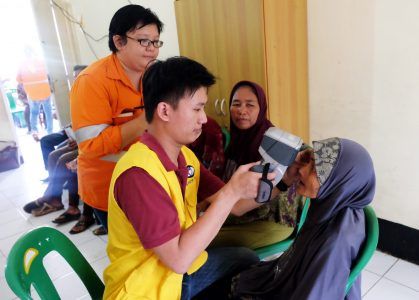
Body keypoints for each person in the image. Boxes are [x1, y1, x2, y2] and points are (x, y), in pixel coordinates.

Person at [103, 57, 275, 300]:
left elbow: (236, 206)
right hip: (150, 289)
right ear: (164, 110)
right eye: (197, 108)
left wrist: (284, 179)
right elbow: (179, 260)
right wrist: (231, 191)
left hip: (176, 275)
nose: (204, 119)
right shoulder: (139, 175)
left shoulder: (183, 156)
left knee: (245, 259)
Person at [231, 138, 376, 300]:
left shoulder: (334, 242)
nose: (302, 170)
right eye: (308, 161)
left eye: (315, 168)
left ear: (339, 183)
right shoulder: (333, 207)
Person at [70, 4, 162, 234]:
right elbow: (91, 146)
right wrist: (144, 121)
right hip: (110, 187)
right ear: (119, 41)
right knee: (130, 257)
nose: (152, 49)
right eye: (143, 41)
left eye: (156, 42)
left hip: (148, 178)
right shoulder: (91, 81)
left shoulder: (152, 75)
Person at [210, 80, 302, 249]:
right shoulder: (237, 140)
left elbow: (241, 206)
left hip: (270, 222)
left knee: (203, 239)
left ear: (261, 109)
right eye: (236, 104)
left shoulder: (272, 145)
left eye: (250, 105)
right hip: (241, 212)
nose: (241, 111)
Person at [16, 45, 53, 140]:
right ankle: (50, 132)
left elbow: (18, 79)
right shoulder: (41, 62)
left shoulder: (22, 65)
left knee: (34, 113)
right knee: (48, 112)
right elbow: (49, 74)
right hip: (45, 91)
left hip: (33, 93)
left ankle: (35, 132)